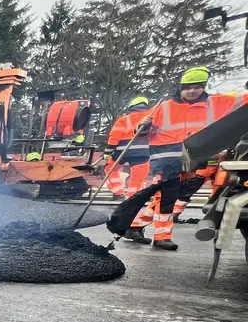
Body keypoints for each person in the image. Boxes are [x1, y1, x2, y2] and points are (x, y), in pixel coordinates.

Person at [134, 67, 247, 251]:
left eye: (196, 87)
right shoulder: (164, 107)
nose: (192, 91)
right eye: (187, 87)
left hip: (194, 162)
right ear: (180, 88)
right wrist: (142, 127)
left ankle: (135, 225)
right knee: (167, 198)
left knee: (173, 197)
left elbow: (243, 101)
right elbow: (141, 132)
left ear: (203, 87)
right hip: (166, 160)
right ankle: (161, 236)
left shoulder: (216, 103)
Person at [104, 97, 150, 241]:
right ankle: (132, 198)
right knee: (137, 180)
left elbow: (114, 136)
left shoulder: (125, 119)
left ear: (131, 107)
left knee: (110, 170)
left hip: (122, 151)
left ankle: (118, 192)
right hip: (143, 153)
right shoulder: (151, 117)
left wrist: (108, 151)